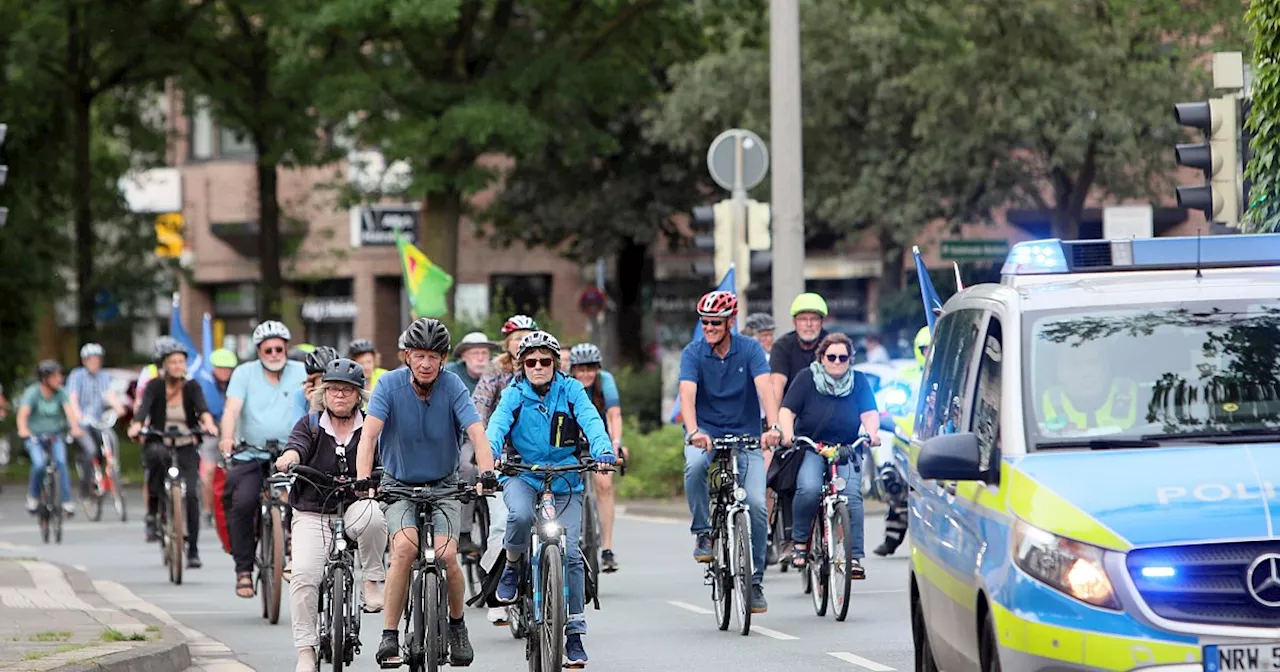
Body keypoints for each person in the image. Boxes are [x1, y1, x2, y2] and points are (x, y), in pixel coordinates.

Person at [355, 318, 497, 667]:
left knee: (448, 555)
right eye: (419, 355)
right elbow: (369, 436)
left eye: (433, 357)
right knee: (404, 548)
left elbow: (477, 433)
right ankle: (390, 634)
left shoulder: (453, 387)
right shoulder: (388, 385)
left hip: (443, 484)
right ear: (407, 356)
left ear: (444, 358)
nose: (425, 363)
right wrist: (362, 479)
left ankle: (457, 626)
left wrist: (488, 472)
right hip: (399, 485)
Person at [488, 332, 616, 667]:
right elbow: (496, 426)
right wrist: (490, 457)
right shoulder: (513, 393)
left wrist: (603, 450)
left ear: (555, 364)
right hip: (522, 474)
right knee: (517, 517)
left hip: (565, 478)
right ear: (522, 365)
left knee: (571, 553)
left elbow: (591, 419)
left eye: (545, 361)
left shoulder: (571, 389)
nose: (538, 367)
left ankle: (573, 633)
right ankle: (513, 567)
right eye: (531, 362)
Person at [275, 358, 388, 672]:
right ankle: (306, 651)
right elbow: (295, 447)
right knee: (304, 576)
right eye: (335, 389)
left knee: (374, 514)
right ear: (323, 393)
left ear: (358, 395)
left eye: (348, 390)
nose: (340, 395)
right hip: (313, 511)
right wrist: (288, 459)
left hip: (354, 506)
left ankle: (372, 581)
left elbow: (386, 458)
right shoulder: (310, 424)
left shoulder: (370, 425)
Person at [679, 291, 781, 613]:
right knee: (695, 467)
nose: (709, 327)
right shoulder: (693, 353)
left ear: (730, 322)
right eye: (705, 322)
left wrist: (774, 426)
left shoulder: (749, 349)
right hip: (705, 434)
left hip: (746, 435)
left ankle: (755, 582)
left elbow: (765, 389)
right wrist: (694, 430)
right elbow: (687, 394)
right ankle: (703, 533)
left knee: (757, 505)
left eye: (715, 322)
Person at [219, 320, 309, 599]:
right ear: (259, 351)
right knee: (242, 502)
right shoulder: (244, 373)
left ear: (286, 348)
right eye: (267, 349)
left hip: (291, 453)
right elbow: (232, 410)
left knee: (306, 497)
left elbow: (314, 403)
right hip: (250, 452)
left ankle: (295, 553)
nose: (273, 354)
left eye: (278, 348)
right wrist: (227, 438)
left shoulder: (301, 371)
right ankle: (243, 569)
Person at [779, 333, 880, 578]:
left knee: (853, 497)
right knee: (810, 488)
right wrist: (788, 434)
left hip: (846, 448)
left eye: (842, 357)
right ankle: (800, 543)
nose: (837, 361)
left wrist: (872, 433)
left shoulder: (859, 381)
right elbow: (787, 410)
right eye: (831, 356)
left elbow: (869, 412)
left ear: (850, 359)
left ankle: (854, 557)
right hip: (813, 447)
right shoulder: (806, 379)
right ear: (821, 357)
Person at [128, 337, 220, 566]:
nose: (179, 366)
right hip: (159, 439)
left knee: (190, 494)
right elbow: (143, 411)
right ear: (163, 365)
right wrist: (137, 425)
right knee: (155, 458)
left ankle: (193, 551)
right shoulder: (154, 386)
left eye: (182, 361)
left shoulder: (192, 386)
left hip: (186, 441)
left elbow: (203, 409)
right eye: (173, 362)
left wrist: (209, 424)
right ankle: (154, 508)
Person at [470, 314, 537, 626]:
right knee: (502, 523)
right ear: (507, 345)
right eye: (516, 338)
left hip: (541, 463)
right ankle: (497, 592)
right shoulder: (496, 373)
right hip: (503, 462)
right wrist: (487, 452)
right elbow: (479, 411)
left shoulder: (545, 370)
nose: (521, 343)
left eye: (527, 336)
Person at [765, 292, 830, 565]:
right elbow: (776, 386)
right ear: (794, 322)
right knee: (782, 472)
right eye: (803, 319)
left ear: (821, 322)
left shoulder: (832, 344)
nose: (808, 324)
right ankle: (784, 537)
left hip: (826, 420)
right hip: (790, 418)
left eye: (813, 319)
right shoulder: (783, 347)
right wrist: (778, 426)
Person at [567, 343, 625, 572]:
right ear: (572, 370)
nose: (585, 374)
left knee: (604, 485)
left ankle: (607, 548)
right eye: (580, 369)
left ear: (597, 369)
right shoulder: (566, 383)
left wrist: (617, 444)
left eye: (590, 369)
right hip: (572, 440)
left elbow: (614, 415)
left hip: (600, 440)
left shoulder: (605, 381)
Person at [873, 326, 928, 557]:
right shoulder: (907, 375)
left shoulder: (949, 373)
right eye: (924, 349)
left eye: (932, 348)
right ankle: (891, 538)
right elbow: (890, 401)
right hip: (904, 437)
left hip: (933, 441)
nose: (928, 353)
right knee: (895, 487)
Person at [445, 332, 499, 556]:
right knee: (465, 468)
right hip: (463, 437)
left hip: (493, 437)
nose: (481, 358)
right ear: (464, 356)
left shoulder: (497, 374)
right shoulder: (451, 375)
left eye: (485, 353)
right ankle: (464, 533)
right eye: (475, 353)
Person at [17, 360, 80, 515]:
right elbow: (22, 414)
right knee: (39, 464)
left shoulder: (61, 392)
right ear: (45, 379)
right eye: (55, 376)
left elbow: (69, 411)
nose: (60, 379)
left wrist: (75, 428)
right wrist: (23, 430)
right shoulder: (33, 393)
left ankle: (66, 501)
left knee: (61, 462)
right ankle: (33, 497)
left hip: (55, 436)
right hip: (35, 437)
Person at [66, 343, 127, 501]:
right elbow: (72, 397)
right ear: (85, 361)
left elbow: (109, 394)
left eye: (97, 359)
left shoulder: (104, 376)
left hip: (98, 421)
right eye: (92, 360)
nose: (95, 363)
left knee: (110, 441)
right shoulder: (77, 375)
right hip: (82, 422)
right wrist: (77, 414)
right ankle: (85, 487)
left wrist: (119, 407)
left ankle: (113, 472)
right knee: (90, 450)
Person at [1039, 340, 1137, 433]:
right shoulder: (1032, 409)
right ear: (1059, 371)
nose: (1085, 372)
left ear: (1106, 367)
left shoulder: (1143, 399)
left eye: (1093, 362)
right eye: (1075, 364)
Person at [198, 348, 237, 522]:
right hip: (211, 432)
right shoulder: (204, 385)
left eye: (228, 368)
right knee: (208, 472)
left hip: (234, 432)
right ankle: (207, 509)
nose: (224, 372)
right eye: (220, 368)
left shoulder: (237, 385)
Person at [292, 347, 339, 423]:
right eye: (322, 384)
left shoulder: (342, 394)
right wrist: (314, 406)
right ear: (312, 384)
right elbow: (298, 431)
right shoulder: (301, 395)